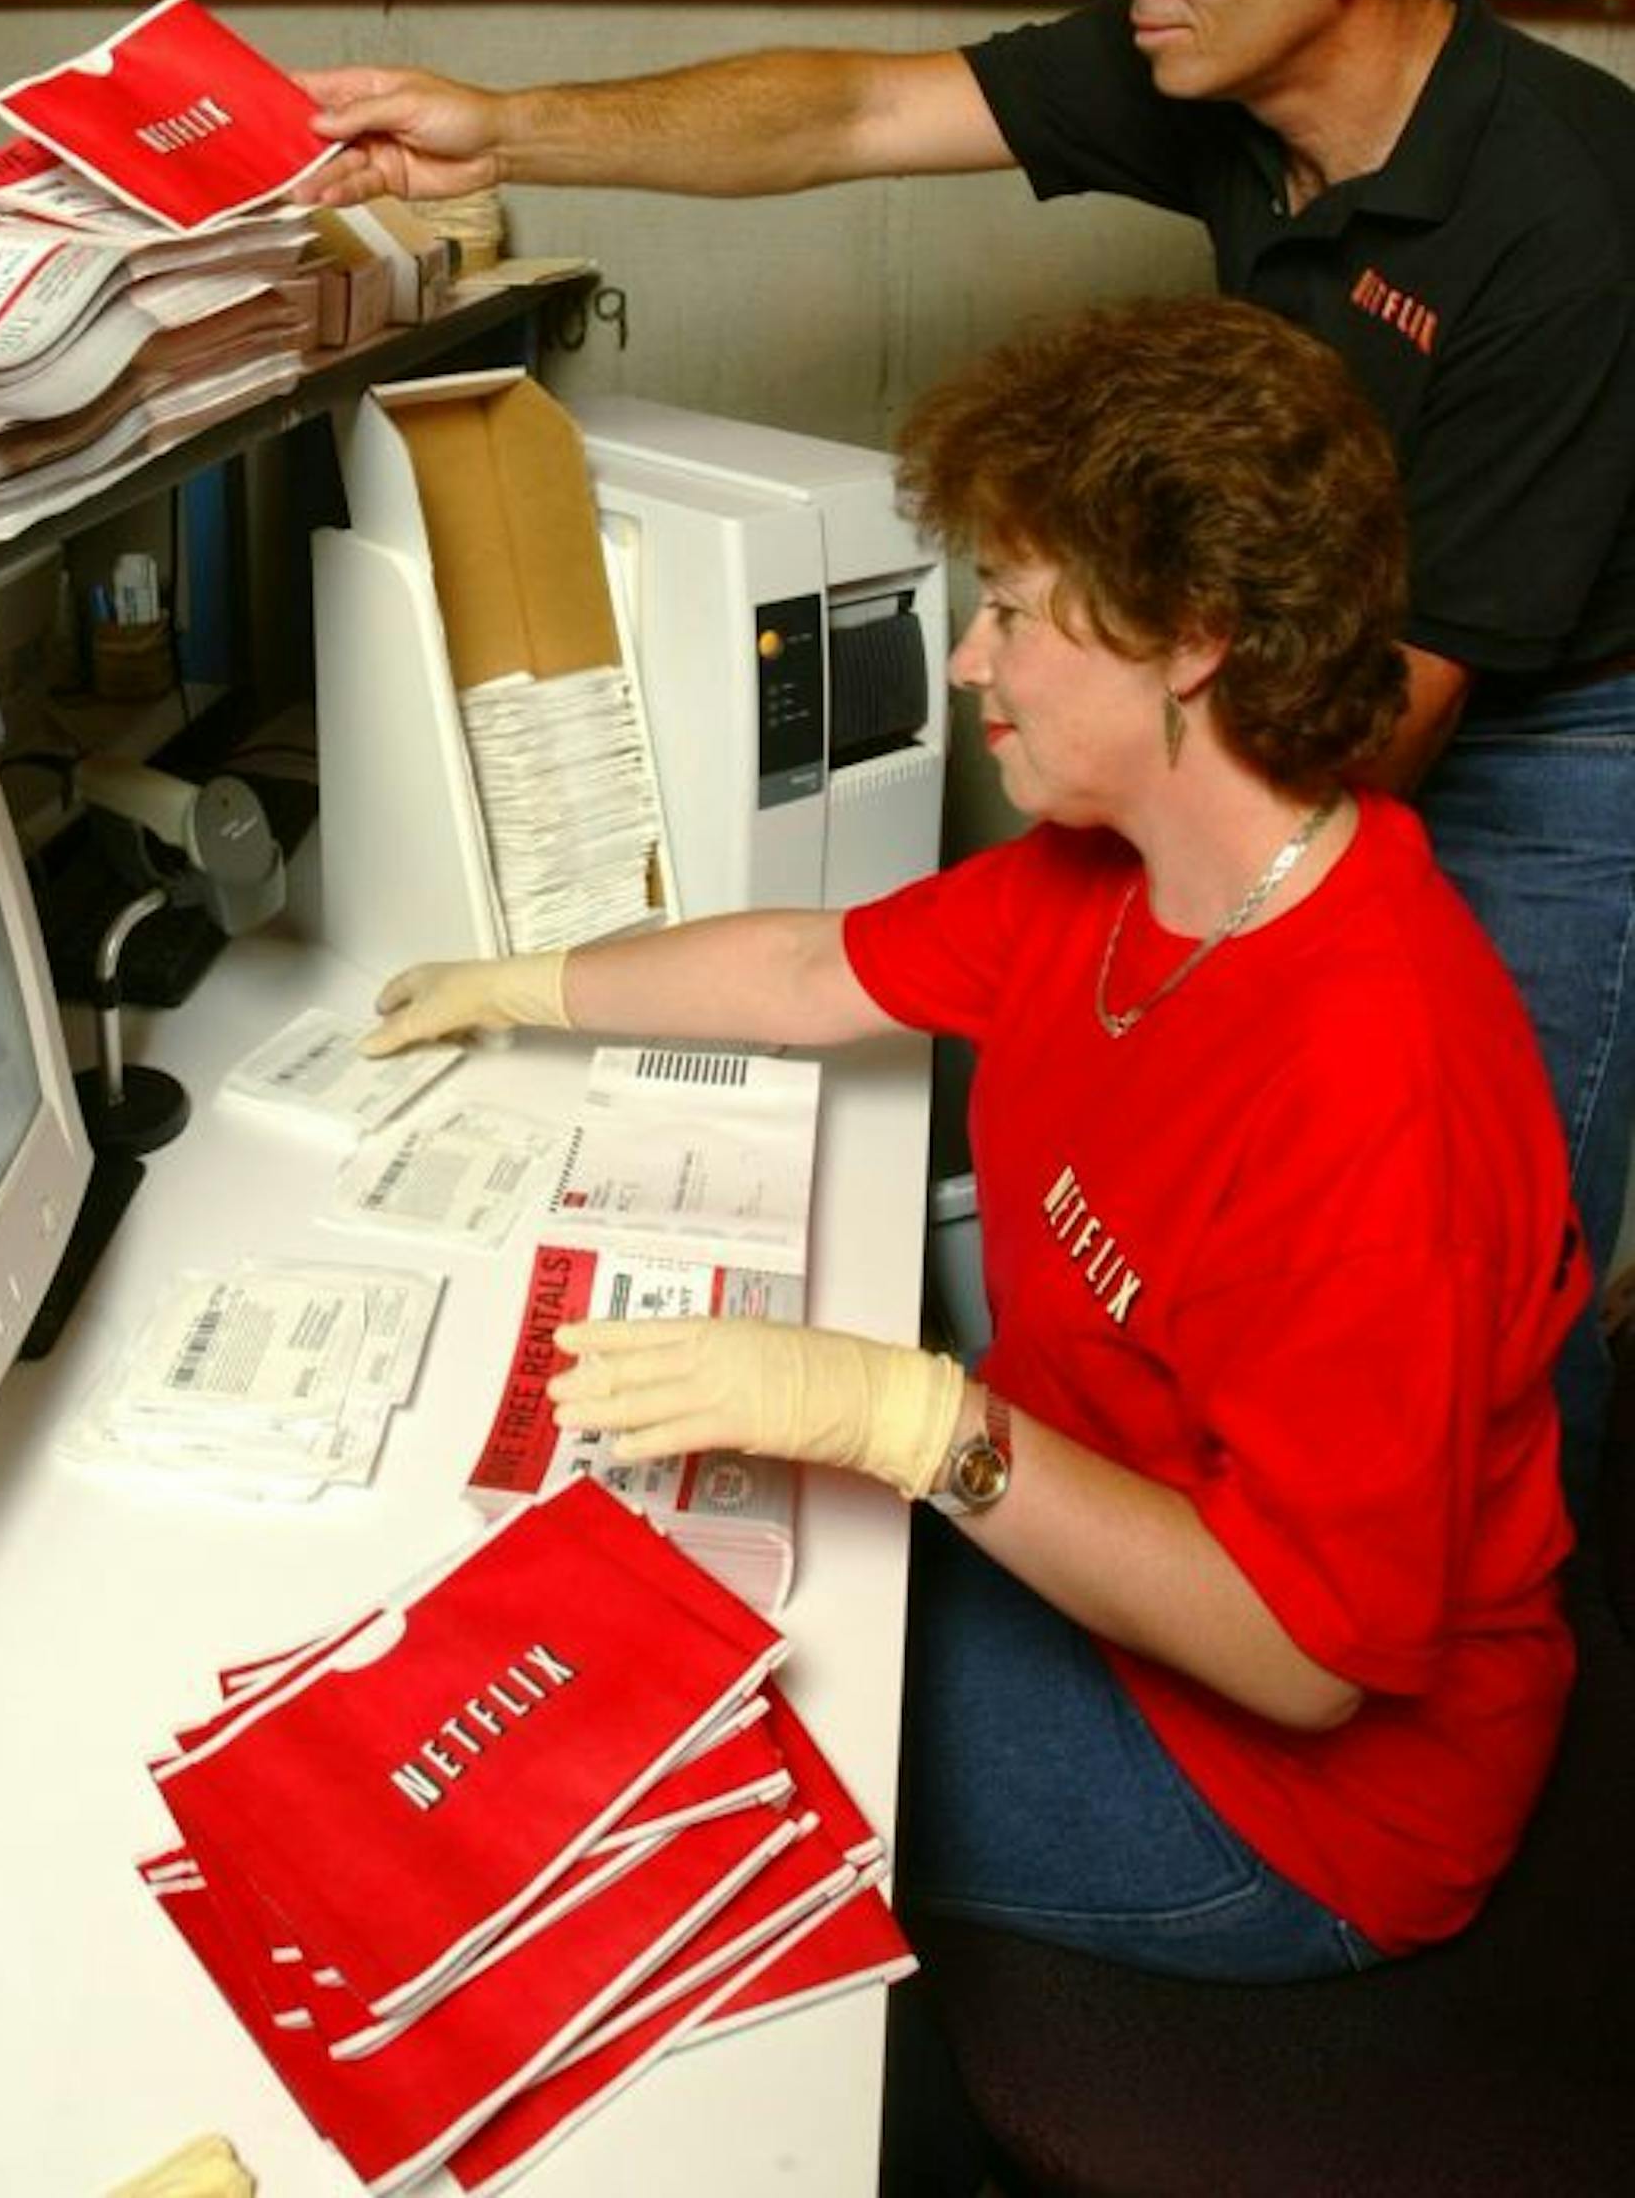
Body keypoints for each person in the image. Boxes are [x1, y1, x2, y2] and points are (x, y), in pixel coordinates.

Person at [302, 0, 1635, 1494]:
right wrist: (507, 129)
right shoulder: (1211, 64)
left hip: (1543, 716)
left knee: (1491, 1264)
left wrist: (1077, 823)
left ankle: (1510, 1695)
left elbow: (1378, 731)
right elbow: (847, 108)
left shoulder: (1562, 221)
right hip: (1303, 665)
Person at [364, 298, 1587, 2005]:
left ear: (1196, 638)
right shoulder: (1119, 869)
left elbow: (1309, 1656)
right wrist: (511, 984)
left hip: (1291, 1803)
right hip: (1100, 1569)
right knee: (637, 1622)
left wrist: (908, 1417)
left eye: (1010, 609)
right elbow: (810, 966)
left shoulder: (1375, 1082)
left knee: (628, 1786)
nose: (964, 659)